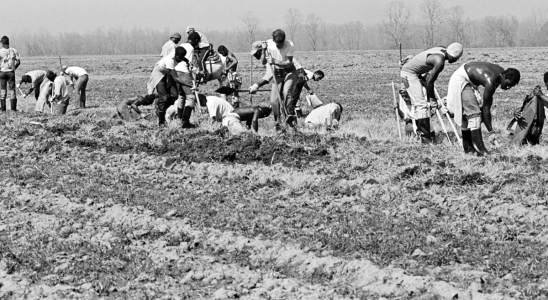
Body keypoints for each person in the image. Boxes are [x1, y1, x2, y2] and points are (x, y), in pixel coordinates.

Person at [446, 62, 521, 155]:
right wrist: (491, 132)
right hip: (461, 80)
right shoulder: (491, 81)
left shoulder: (500, 74)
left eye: (511, 86)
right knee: (474, 114)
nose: (508, 87)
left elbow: (486, 106)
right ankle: (480, 151)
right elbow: (486, 109)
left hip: (469, 81)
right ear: (504, 77)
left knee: (471, 114)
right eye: (508, 84)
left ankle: (468, 149)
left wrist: (490, 128)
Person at [401, 43, 463, 143]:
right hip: (409, 74)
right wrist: (433, 100)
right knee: (421, 104)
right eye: (457, 58)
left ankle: (424, 136)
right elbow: (430, 83)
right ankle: (426, 139)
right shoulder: (440, 62)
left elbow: (429, 80)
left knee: (422, 105)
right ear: (454, 56)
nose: (456, 60)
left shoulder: (441, 49)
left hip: (416, 72)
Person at [259, 29, 298, 131]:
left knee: (286, 91)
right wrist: (263, 50)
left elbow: (289, 63)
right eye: (277, 44)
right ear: (273, 40)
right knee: (274, 100)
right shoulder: (268, 44)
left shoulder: (289, 44)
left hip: (289, 71)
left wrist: (275, 61)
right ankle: (278, 121)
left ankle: (290, 115)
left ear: (284, 40)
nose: (279, 46)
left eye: (281, 44)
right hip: (277, 73)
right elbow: (263, 62)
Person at [146, 47, 190, 126]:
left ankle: (163, 108)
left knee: (174, 95)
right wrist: (189, 85)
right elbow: (176, 79)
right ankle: (161, 121)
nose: (180, 60)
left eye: (181, 58)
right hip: (159, 73)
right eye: (179, 58)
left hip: (167, 73)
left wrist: (187, 61)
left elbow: (183, 58)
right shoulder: (170, 60)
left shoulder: (178, 54)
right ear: (175, 55)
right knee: (164, 97)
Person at [173, 41, 198, 128]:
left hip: (176, 72)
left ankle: (179, 120)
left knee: (181, 95)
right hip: (184, 72)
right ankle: (185, 121)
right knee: (191, 96)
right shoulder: (191, 48)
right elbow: (189, 63)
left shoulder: (181, 46)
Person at [0, 36, 20, 111]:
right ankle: (13, 109)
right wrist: (14, 68)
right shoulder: (14, 50)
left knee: (3, 90)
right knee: (12, 90)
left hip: (2, 72)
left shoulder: (0, 51)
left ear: (2, 43)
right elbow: (18, 62)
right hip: (11, 72)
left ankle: (3, 109)